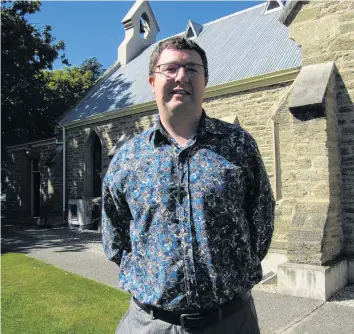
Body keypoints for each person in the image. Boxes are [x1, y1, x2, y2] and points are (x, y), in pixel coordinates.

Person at [102, 36, 275, 334]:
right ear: (152, 81)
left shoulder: (238, 145)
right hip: (149, 324)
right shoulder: (128, 158)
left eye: (192, 69)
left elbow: (261, 222)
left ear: (205, 81)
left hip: (231, 322)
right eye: (170, 68)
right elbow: (115, 238)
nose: (182, 76)